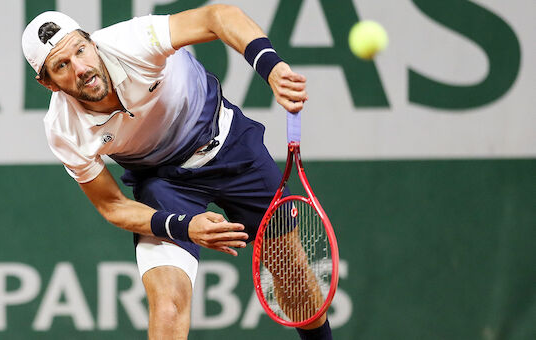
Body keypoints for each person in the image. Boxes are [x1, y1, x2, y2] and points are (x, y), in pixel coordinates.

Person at [22, 4, 331, 339]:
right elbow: (112, 205)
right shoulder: (63, 128)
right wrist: (183, 226)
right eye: (62, 66)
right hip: (163, 182)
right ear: (48, 83)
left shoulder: (132, 42)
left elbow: (217, 17)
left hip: (231, 146)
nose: (80, 68)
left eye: (80, 50)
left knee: (298, 286)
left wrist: (271, 67)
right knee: (168, 307)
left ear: (92, 43)